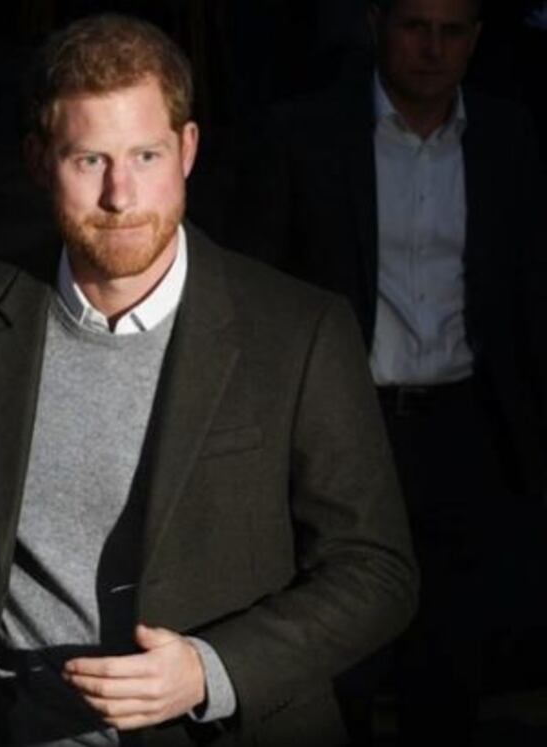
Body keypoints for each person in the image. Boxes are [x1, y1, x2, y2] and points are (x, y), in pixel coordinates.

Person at [0, 13, 417, 747]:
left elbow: (376, 571)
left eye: (146, 155)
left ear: (188, 150)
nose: (121, 195)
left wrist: (211, 669)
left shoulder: (298, 331)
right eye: (89, 159)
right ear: (39, 160)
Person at [235, 0, 547, 742]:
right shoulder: (304, 134)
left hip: (466, 427)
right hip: (346, 426)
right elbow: (257, 287)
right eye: (415, 27)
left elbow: (528, 288)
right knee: (338, 647)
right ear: (376, 25)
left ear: (475, 39)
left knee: (452, 658)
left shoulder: (507, 136)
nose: (433, 48)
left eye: (452, 31)